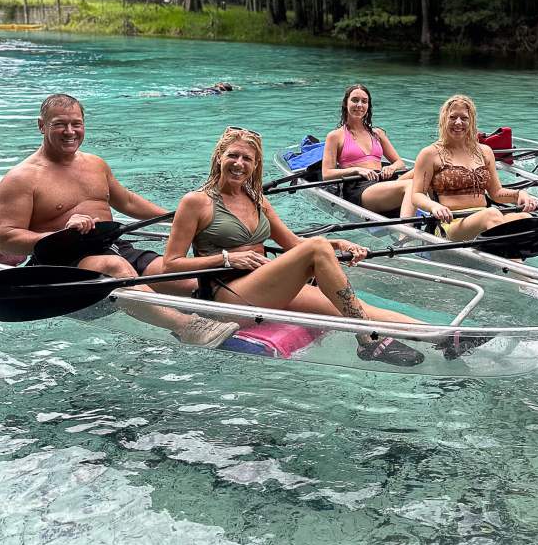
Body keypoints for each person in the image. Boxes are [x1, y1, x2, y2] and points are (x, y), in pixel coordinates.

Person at [161, 126, 429, 367]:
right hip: (227, 297)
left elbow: (293, 245)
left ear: (256, 165)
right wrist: (226, 258)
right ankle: (368, 338)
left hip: (265, 286)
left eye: (247, 159)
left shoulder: (256, 200)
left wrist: (337, 243)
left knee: (360, 306)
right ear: (219, 156)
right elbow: (171, 264)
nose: (238, 164)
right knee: (317, 248)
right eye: (233, 155)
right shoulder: (196, 202)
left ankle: (446, 337)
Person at [0, 93, 238, 348]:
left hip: (114, 247)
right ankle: (188, 327)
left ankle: (226, 312)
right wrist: (60, 234)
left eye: (76, 123)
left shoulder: (95, 164)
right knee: (114, 267)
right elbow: (6, 237)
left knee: (184, 275)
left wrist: (182, 217)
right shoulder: (22, 178)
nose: (70, 131)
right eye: (59, 124)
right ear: (41, 125)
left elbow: (128, 202)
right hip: (62, 263)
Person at [411, 95, 538, 272]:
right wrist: (433, 206)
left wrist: (519, 195)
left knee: (525, 218)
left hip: (486, 218)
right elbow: (416, 194)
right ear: (443, 120)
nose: (458, 123)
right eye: (453, 117)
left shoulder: (484, 152)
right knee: (491, 214)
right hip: (450, 226)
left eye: (464, 118)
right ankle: (525, 279)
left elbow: (496, 193)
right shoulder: (430, 154)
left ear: (472, 122)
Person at [322, 84, 415, 217]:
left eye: (364, 101)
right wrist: (357, 170)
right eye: (355, 100)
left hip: (383, 181)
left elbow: (399, 163)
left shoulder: (377, 133)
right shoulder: (335, 136)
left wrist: (392, 168)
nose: (359, 105)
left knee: (426, 171)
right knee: (411, 185)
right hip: (360, 187)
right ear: (345, 103)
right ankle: (405, 234)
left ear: (368, 106)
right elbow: (327, 174)